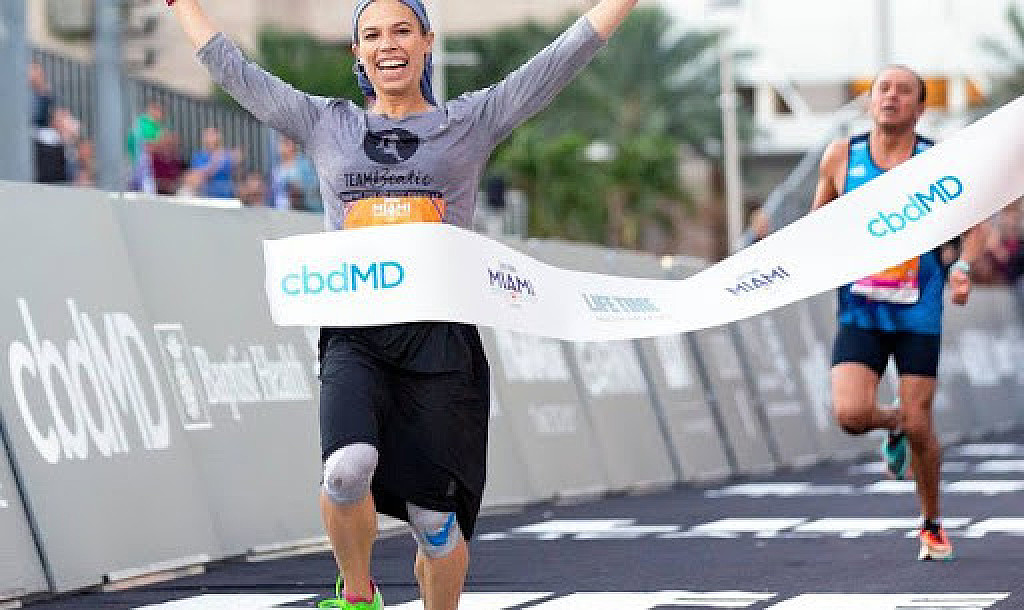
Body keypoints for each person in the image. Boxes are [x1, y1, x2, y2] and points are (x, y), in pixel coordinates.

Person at [169, 0, 639, 607]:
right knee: (345, 470)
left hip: (440, 345)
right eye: (372, 35)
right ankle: (357, 595)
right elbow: (232, 69)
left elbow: (562, 57)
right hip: (355, 334)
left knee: (436, 529)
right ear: (358, 53)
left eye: (401, 31)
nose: (387, 43)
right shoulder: (325, 123)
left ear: (425, 43)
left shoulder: (470, 122)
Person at [810, 65, 986, 562]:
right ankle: (894, 424)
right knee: (850, 416)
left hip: (917, 313)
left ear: (920, 108)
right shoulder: (841, 156)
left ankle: (931, 524)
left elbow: (975, 227)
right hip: (860, 309)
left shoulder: (936, 162)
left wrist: (962, 267)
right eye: (883, 89)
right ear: (871, 101)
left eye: (904, 91)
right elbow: (815, 225)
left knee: (922, 423)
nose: (891, 97)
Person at [189, 126, 238, 198]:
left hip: (225, 194)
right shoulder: (198, 156)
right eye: (207, 135)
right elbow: (199, 175)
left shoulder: (227, 155)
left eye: (213, 134)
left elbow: (233, 172)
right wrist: (216, 162)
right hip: (204, 194)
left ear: (219, 137)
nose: (210, 138)